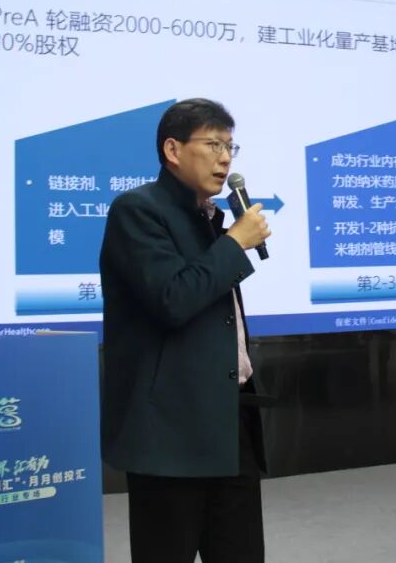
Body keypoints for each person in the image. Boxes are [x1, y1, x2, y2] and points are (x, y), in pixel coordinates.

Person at [100, 98, 271, 563]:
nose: (225, 158)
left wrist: (226, 236)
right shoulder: (137, 211)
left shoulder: (208, 218)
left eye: (230, 147)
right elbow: (172, 299)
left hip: (228, 420)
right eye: (213, 144)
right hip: (169, 432)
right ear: (173, 150)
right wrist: (234, 242)